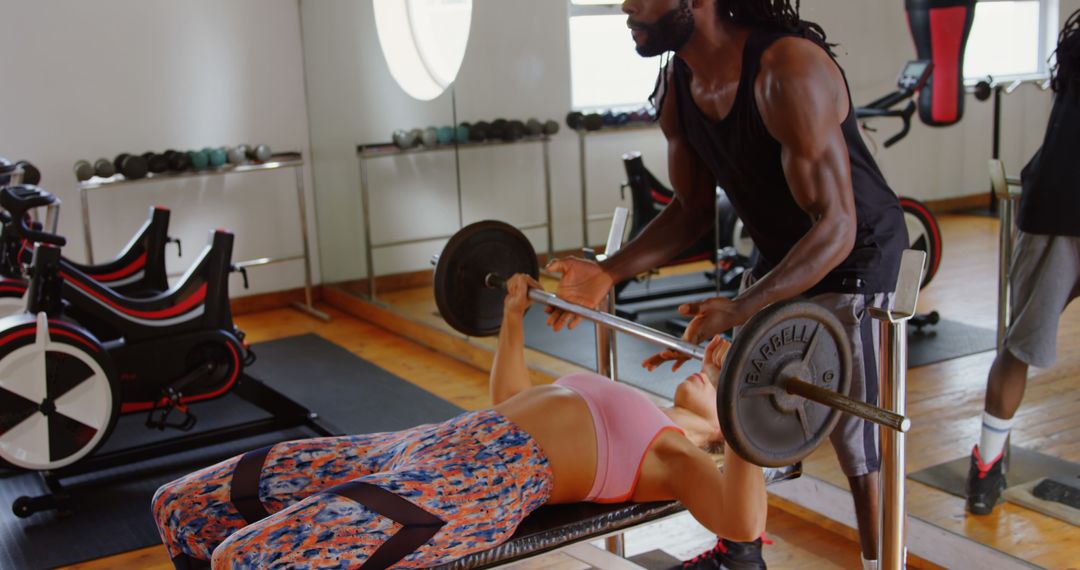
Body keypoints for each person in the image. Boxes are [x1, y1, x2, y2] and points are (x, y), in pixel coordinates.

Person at [544, 1, 908, 568]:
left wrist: (741, 306)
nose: (626, 5)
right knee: (743, 403)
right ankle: (741, 554)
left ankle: (881, 563)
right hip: (784, 250)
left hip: (857, 253)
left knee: (859, 444)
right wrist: (608, 271)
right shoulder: (678, 87)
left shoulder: (786, 70)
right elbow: (691, 211)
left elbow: (837, 226)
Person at [152, 274, 766, 569]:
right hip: (425, 440)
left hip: (473, 487)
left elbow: (741, 521)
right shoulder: (635, 402)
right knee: (180, 505)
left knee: (242, 561)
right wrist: (511, 318)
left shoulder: (677, 454)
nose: (703, 377)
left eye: (715, 386)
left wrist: (742, 414)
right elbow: (510, 397)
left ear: (721, 429)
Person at [965, 8, 1080, 516]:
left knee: (1019, 346)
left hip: (1053, 200)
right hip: (1057, 205)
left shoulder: (1076, 45)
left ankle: (986, 469)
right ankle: (986, 469)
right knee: (1020, 344)